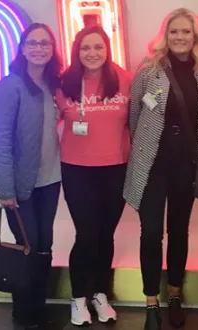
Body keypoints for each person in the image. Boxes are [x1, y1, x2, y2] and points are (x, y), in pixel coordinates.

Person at [123, 8, 198, 330]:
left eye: (186, 32)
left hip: (186, 165)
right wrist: (145, 148)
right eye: (174, 31)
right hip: (152, 166)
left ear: (196, 36)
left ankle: (174, 294)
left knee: (179, 232)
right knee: (150, 233)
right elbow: (134, 117)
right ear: (165, 34)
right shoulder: (148, 70)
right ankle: (151, 301)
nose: (180, 37)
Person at [0, 23, 63, 329]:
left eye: (45, 43)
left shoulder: (53, 86)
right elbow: (0, 141)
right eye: (33, 43)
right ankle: (24, 314)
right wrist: (5, 190)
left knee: (44, 247)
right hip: (19, 184)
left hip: (51, 181)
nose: (39, 48)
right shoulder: (9, 86)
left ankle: (38, 310)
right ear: (23, 48)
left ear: (52, 50)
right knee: (27, 249)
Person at [55, 25, 132, 326]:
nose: (92, 53)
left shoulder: (124, 79)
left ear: (107, 49)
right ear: (77, 51)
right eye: (86, 48)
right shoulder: (65, 83)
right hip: (76, 170)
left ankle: (100, 294)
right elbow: (49, 120)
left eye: (98, 47)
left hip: (116, 168)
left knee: (105, 235)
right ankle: (78, 298)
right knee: (86, 235)